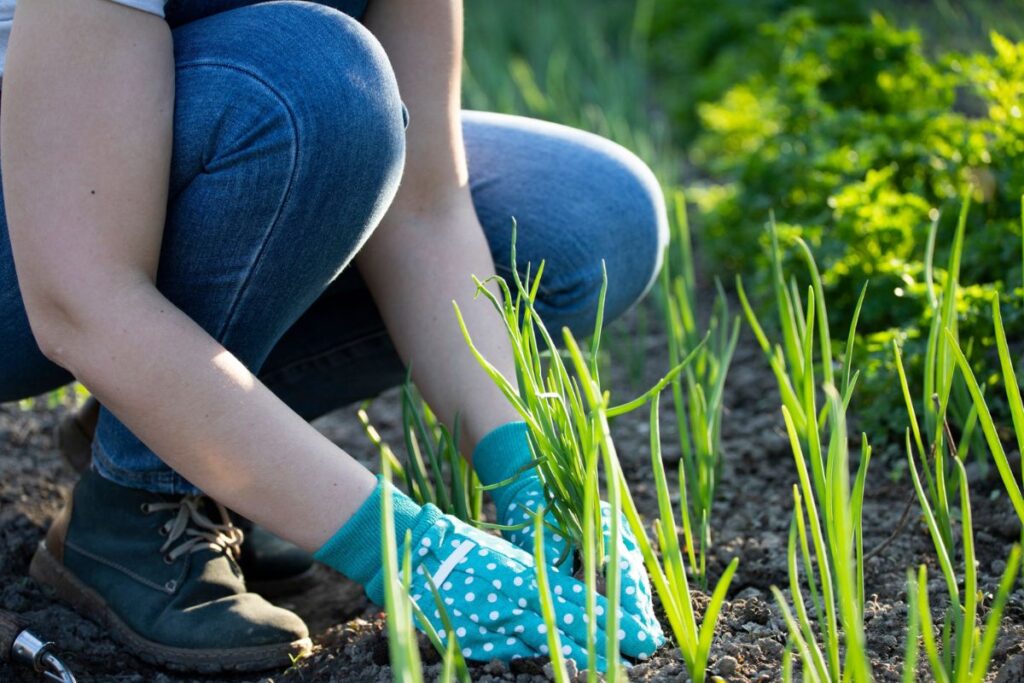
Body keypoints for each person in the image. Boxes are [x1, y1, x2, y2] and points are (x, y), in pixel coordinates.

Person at [0, 0, 669, 673]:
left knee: (593, 220)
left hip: (186, 126)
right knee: (316, 87)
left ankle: (151, 422)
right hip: (33, 225)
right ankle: (134, 500)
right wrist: (403, 548)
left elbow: (424, 208)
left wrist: (527, 470)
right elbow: (78, 299)